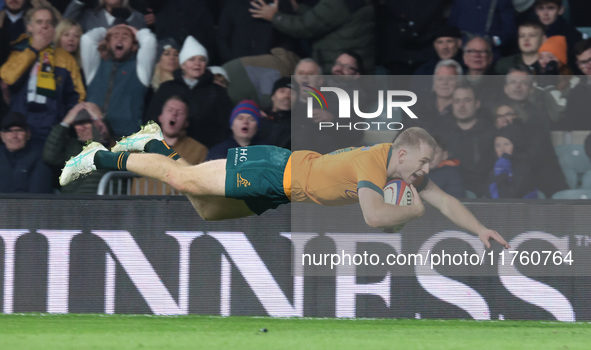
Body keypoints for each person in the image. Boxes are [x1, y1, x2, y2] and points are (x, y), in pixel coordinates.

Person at [60, 126, 510, 249]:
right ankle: (97, 156)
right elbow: (375, 218)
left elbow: (445, 199)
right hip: (273, 169)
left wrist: (480, 230)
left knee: (206, 210)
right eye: (424, 161)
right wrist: (412, 213)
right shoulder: (377, 163)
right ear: (404, 153)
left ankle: (151, 142)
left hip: (281, 189)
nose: (426, 170)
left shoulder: (402, 172)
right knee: (184, 177)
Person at [0, 6, 85, 142]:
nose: (44, 26)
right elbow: (7, 77)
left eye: (49, 22)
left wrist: (63, 123)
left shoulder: (65, 57)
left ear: (54, 27)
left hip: (52, 126)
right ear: (29, 27)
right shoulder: (18, 50)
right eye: (39, 22)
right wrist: (34, 49)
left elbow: (77, 95)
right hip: (20, 126)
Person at [145, 35, 232, 149]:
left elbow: (225, 126)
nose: (197, 64)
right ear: (183, 65)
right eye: (192, 59)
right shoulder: (166, 88)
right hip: (167, 149)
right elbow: (151, 120)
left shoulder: (217, 92)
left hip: (204, 152)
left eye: (201, 60)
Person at [249, 0, 375, 74]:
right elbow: (322, 18)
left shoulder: (340, 2)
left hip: (339, 69)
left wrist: (275, 16)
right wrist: (297, 8)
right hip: (348, 66)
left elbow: (304, 27)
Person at [81, 23, 157, 138]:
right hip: (93, 135)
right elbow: (87, 39)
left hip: (125, 137)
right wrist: (106, 31)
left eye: (126, 37)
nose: (120, 39)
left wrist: (136, 32)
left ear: (134, 46)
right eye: (115, 36)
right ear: (108, 42)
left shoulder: (140, 69)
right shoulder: (95, 66)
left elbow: (149, 41)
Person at [125, 95, 208, 195]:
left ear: (186, 123)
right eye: (170, 110)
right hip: (140, 207)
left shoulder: (199, 151)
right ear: (161, 117)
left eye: (180, 112)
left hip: (175, 209)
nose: (174, 114)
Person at [42, 102, 110, 194]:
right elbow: (49, 156)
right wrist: (64, 123)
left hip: (100, 204)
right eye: (77, 123)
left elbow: (103, 143)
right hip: (71, 204)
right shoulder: (72, 146)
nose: (81, 128)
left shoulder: (114, 145)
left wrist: (98, 120)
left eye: (87, 122)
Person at [0, 110, 53, 193]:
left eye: (19, 130)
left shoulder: (40, 157)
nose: (14, 136)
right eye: (9, 131)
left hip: (28, 205)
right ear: (2, 136)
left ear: (28, 134)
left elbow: (39, 196)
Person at [487, 125, 538, 199]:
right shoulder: (494, 168)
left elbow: (508, 197)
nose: (502, 149)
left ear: (516, 144)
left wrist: (502, 168)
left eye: (506, 144)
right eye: (497, 145)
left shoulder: (524, 167)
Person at [533, 0, 583, 72]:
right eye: (541, 8)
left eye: (551, 8)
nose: (545, 13)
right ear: (536, 11)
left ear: (560, 10)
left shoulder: (572, 35)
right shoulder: (531, 31)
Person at [63, 0, 147, 32]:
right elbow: (66, 24)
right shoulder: (90, 16)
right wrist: (79, 1)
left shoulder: (135, 16)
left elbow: (143, 36)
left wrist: (129, 17)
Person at [258, 77, 295, 149]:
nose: (287, 96)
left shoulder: (300, 126)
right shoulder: (258, 117)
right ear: (272, 96)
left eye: (292, 93)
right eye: (282, 91)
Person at [429, 133, 464, 199]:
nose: (429, 157)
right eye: (425, 152)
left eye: (434, 153)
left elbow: (456, 200)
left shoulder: (452, 175)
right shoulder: (413, 173)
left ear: (444, 155)